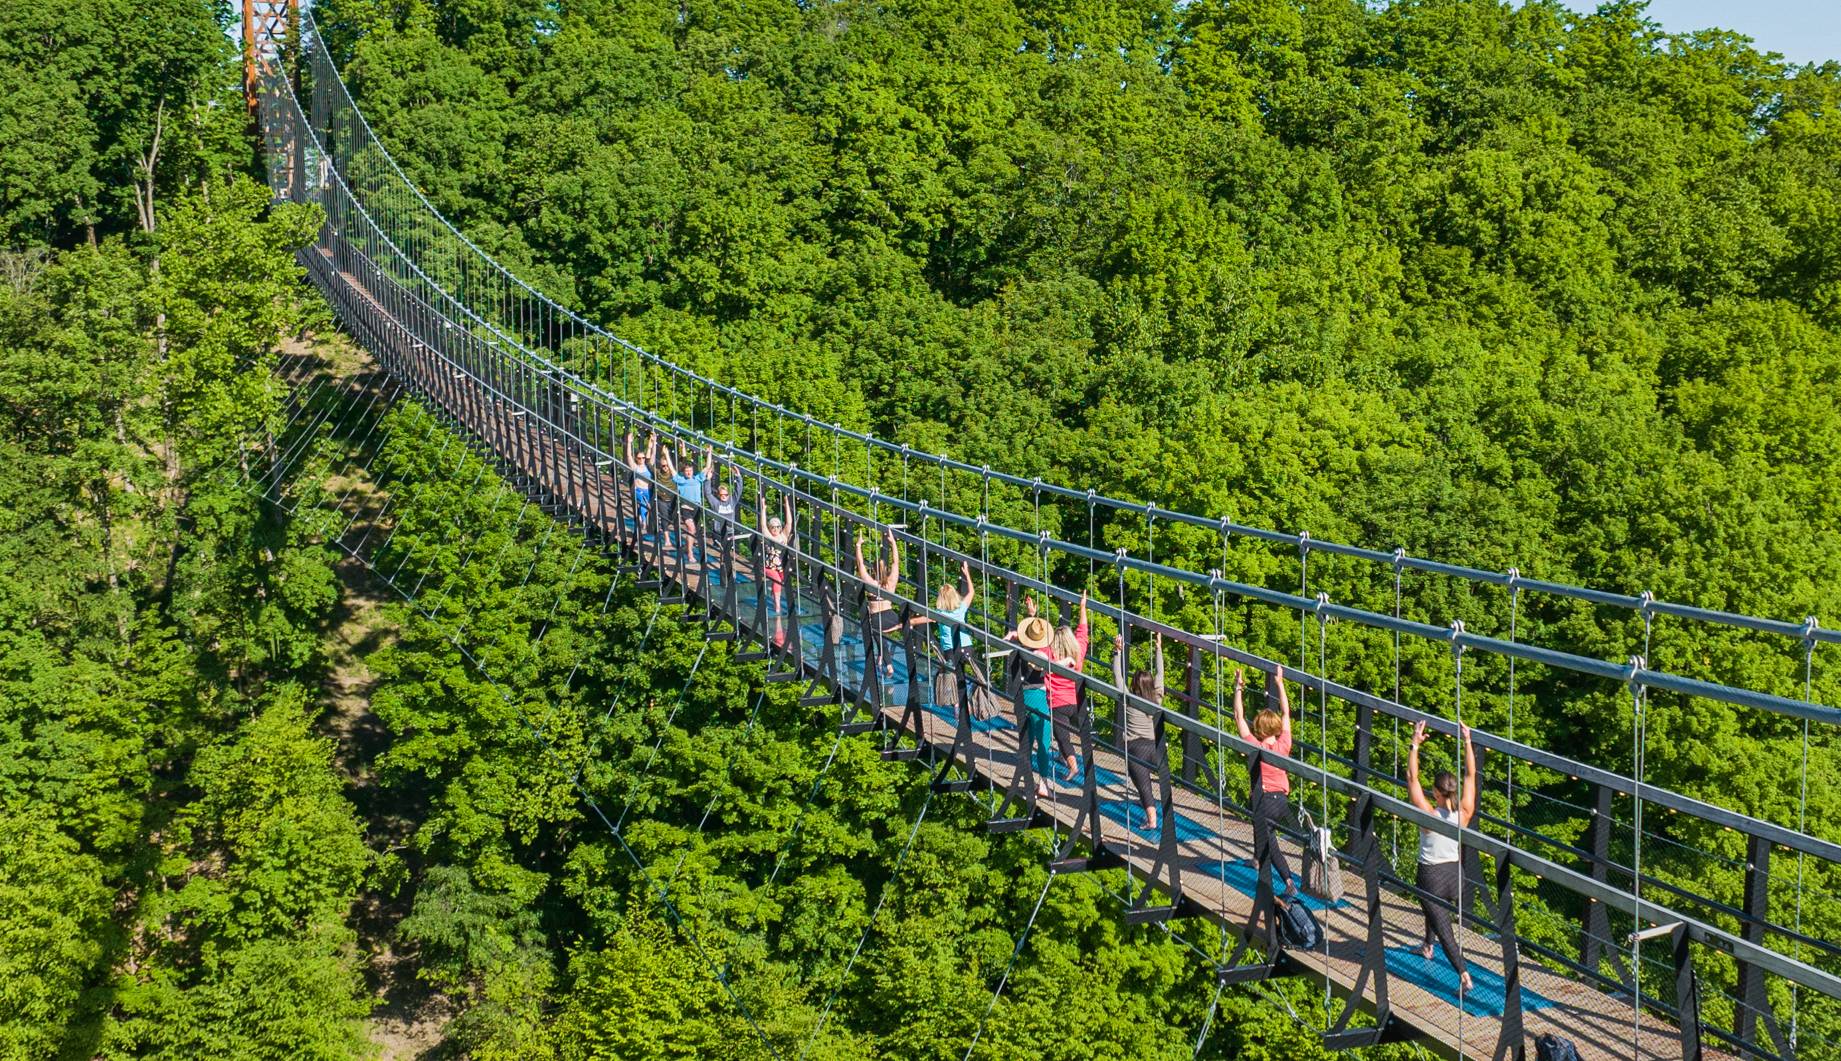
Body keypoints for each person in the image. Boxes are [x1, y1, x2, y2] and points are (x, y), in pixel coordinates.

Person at [1408, 719, 1478, 992]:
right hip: (1456, 877)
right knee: (1433, 910)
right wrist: (1468, 741)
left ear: (1436, 792)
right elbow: (1471, 777)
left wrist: (1415, 743)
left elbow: (1412, 778)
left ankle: (1463, 973)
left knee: (1443, 925)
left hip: (1432, 877)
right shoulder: (1464, 814)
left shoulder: (1429, 816)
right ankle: (1427, 945)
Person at [1234, 664, 1300, 903]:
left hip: (1265, 800)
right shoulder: (1285, 743)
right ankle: (1256, 858)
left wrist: (1237, 689)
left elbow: (1238, 717)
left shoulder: (1257, 746)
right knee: (1262, 829)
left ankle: (1289, 882)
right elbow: (1286, 713)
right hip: (1281, 800)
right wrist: (1280, 684)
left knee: (1270, 842)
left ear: (1260, 729)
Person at [1112, 632, 1165, 831]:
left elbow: (1118, 677)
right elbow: (1161, 674)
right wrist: (1158, 648)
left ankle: (1152, 820)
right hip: (1155, 747)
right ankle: (1164, 814)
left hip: (1136, 748)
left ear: (1134, 684)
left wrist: (1117, 652)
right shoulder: (1157, 697)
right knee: (1163, 781)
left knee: (1144, 787)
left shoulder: (1128, 700)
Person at [1007, 610, 1056, 800]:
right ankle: (1043, 783)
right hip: (1036, 697)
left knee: (1026, 742)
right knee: (1044, 741)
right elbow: (1044, 663)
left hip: (1020, 698)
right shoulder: (1038, 656)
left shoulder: (1016, 649)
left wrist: (1016, 635)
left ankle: (1027, 781)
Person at [1044, 592, 1090, 783]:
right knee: (1081, 733)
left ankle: (1073, 766)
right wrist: (1082, 607)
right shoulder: (1078, 650)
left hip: (1057, 702)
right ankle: (1078, 761)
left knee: (1063, 737)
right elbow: (1083, 630)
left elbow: (1036, 651)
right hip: (1076, 701)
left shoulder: (1050, 653)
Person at [854, 528, 902, 681]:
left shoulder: (871, 583)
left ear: (873, 571)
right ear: (885, 570)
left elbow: (860, 565)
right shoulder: (891, 582)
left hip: (877, 619)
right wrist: (893, 542)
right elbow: (896, 562)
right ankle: (884, 657)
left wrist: (858, 546)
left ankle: (888, 663)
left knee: (876, 631)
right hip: (892, 617)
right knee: (898, 625)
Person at [659, 443, 713, 559]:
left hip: (697, 508)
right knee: (691, 529)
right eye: (687, 471)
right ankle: (690, 554)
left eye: (690, 470)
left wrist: (709, 453)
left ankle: (686, 548)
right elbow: (672, 469)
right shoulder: (680, 479)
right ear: (684, 472)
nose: (688, 472)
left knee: (695, 532)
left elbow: (707, 467)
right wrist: (667, 455)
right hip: (685, 508)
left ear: (693, 471)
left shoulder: (698, 478)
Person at [757, 486, 795, 616]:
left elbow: (789, 523)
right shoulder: (768, 537)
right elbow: (762, 525)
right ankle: (777, 606)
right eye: (773, 527)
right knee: (778, 580)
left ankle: (776, 597)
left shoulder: (783, 536)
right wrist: (763, 509)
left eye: (778, 526)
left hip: (780, 567)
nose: (776, 529)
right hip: (768, 567)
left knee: (783, 580)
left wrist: (786, 505)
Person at [623, 430, 656, 537]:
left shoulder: (648, 466)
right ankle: (643, 523)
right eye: (639, 458)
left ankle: (644, 522)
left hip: (648, 490)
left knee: (649, 507)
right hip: (639, 490)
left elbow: (653, 455)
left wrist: (652, 444)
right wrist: (629, 443)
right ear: (636, 459)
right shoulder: (635, 467)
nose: (641, 459)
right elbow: (628, 456)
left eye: (643, 458)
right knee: (643, 504)